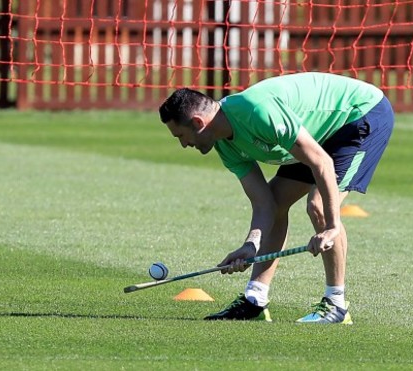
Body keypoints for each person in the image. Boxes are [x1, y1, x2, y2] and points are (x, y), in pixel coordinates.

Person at [158, 72, 394, 324]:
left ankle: (336, 304)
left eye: (181, 136)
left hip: (359, 114)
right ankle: (255, 301)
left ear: (197, 123)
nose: (183, 145)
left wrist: (333, 227)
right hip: (317, 131)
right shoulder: (224, 145)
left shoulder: (257, 112)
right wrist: (251, 244)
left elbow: (321, 161)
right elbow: (264, 203)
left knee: (318, 206)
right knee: (278, 202)